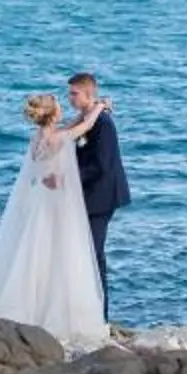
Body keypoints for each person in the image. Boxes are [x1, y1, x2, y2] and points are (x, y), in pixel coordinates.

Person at [0, 90, 111, 349]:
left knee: (33, 258)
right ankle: (54, 318)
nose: (62, 108)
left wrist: (87, 112)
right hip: (53, 208)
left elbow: (70, 129)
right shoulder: (58, 139)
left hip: (38, 205)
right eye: (58, 105)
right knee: (57, 259)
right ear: (52, 113)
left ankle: (29, 311)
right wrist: (100, 106)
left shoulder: (38, 138)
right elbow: (86, 126)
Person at [67, 70, 129, 321]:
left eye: (74, 93)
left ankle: (100, 316)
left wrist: (68, 178)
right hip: (87, 196)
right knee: (87, 253)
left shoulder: (102, 123)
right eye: (69, 93)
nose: (70, 98)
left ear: (88, 94)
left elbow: (101, 165)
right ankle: (88, 309)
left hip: (101, 197)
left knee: (94, 253)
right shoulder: (86, 119)